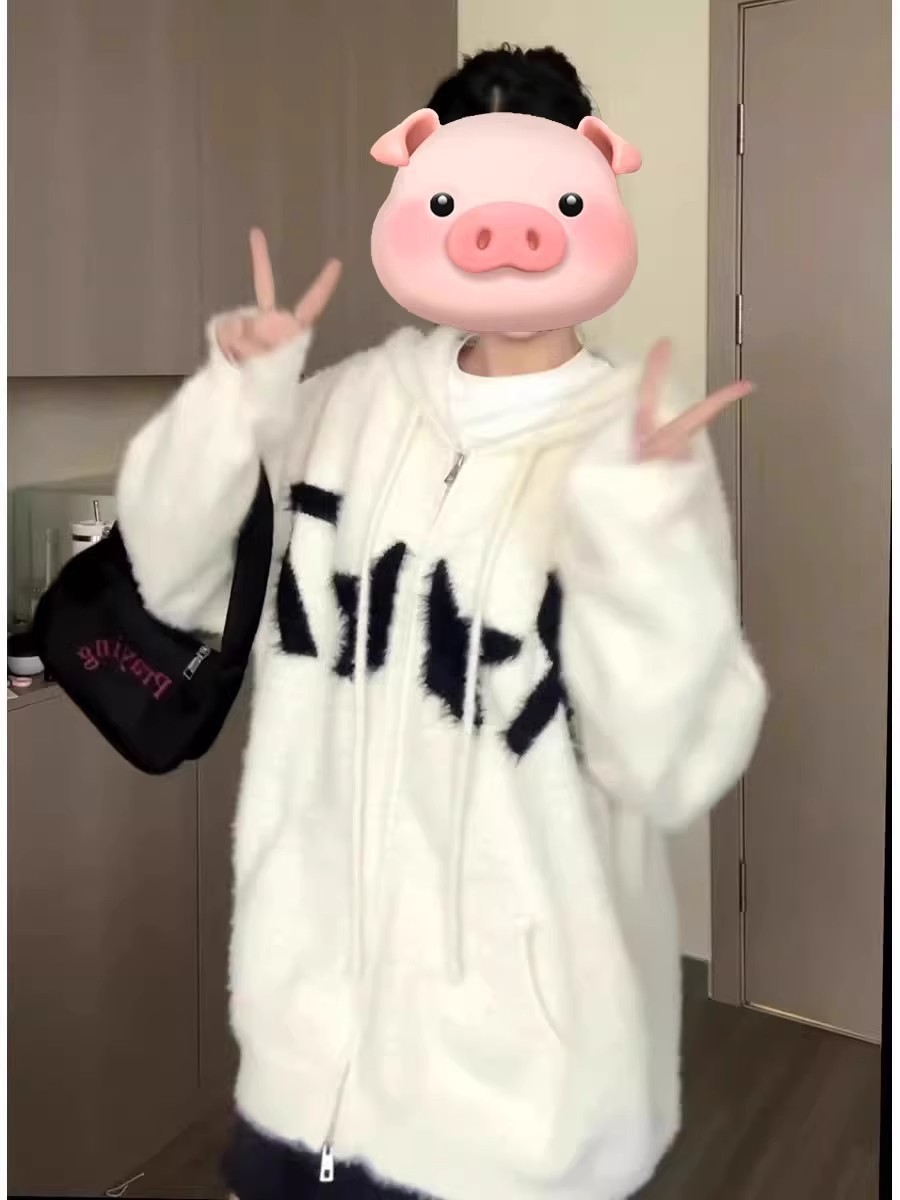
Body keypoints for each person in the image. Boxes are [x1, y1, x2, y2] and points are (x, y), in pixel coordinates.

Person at [117, 44, 766, 1200]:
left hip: (518, 1095)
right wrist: (231, 401)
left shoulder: (638, 449)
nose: (505, 231)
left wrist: (643, 532)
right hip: (306, 1046)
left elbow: (670, 763)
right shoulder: (340, 408)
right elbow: (173, 577)